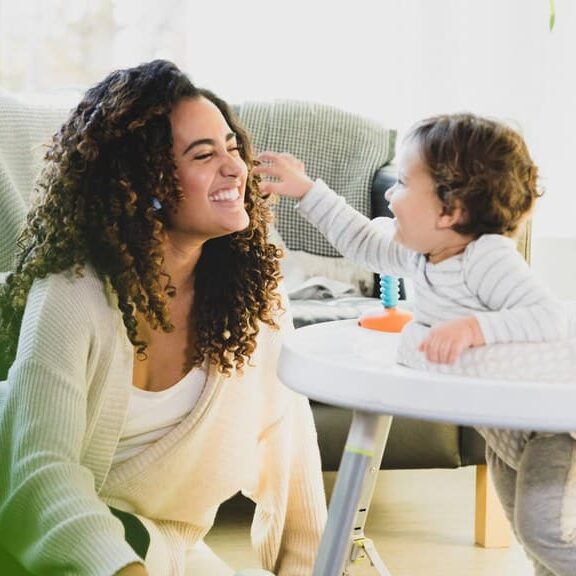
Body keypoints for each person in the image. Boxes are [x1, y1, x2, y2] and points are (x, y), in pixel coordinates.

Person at [0, 60, 327, 576]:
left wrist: (314, 569)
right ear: (142, 181)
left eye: (232, 147)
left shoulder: (256, 302)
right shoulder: (71, 292)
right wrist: (123, 567)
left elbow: (290, 452)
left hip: (159, 545)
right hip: (34, 534)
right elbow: (40, 474)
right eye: (204, 154)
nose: (235, 167)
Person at [254, 113, 575, 576]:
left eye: (403, 182)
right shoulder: (420, 253)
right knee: (532, 541)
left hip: (552, 430)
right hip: (502, 429)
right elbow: (362, 240)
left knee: (545, 529)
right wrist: (307, 192)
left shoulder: (486, 257)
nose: (390, 193)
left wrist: (473, 329)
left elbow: (547, 316)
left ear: (451, 210)